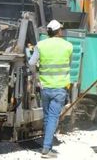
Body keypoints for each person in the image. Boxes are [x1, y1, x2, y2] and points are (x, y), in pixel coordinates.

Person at [28, 20, 73, 158]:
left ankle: (48, 145)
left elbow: (31, 63)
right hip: (60, 88)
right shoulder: (68, 46)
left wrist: (36, 76)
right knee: (53, 117)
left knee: (48, 117)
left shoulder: (40, 45)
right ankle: (46, 149)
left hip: (45, 87)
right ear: (59, 31)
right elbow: (69, 64)